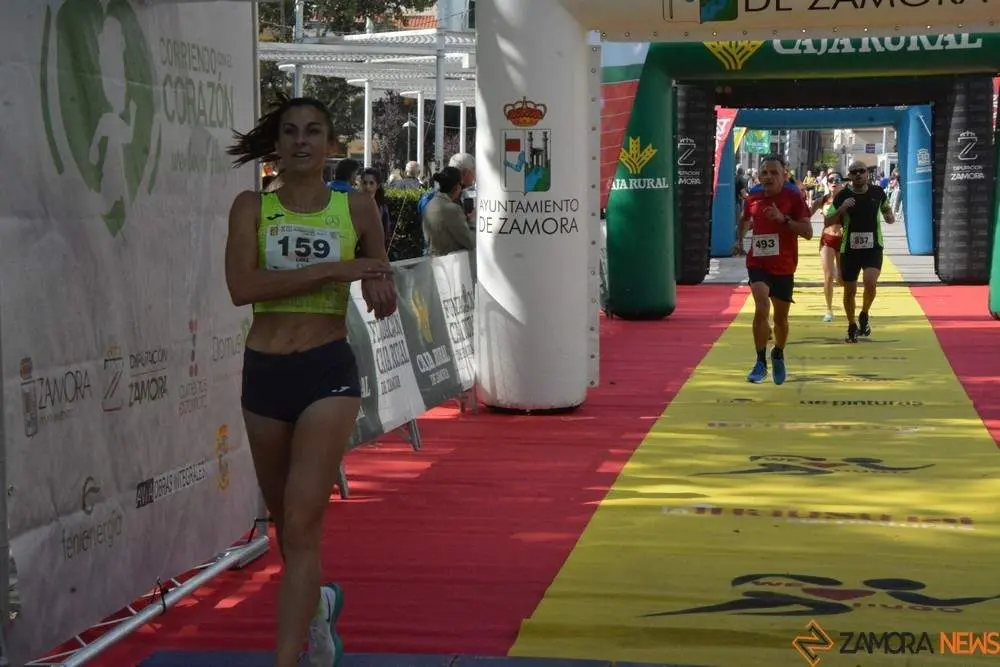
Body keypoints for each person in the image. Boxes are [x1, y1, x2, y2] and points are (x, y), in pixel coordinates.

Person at [225, 96, 398, 667]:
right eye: (291, 131)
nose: (302, 141)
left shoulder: (357, 208)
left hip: (326, 370)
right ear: (277, 144)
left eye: (314, 131)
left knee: (302, 520)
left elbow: (379, 274)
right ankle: (318, 610)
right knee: (285, 529)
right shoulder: (251, 207)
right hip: (265, 372)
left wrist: (381, 286)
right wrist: (333, 270)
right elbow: (242, 289)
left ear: (331, 144)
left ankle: (287, 659)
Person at [739, 155, 813, 385]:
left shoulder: (794, 197)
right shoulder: (753, 197)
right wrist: (739, 239)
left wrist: (783, 220)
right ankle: (760, 362)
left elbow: (808, 232)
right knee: (761, 306)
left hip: (784, 265)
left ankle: (778, 352)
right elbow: (745, 218)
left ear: (784, 175)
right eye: (764, 173)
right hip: (757, 262)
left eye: (774, 173)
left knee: (781, 320)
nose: (768, 177)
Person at [826, 160, 895, 343]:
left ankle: (864, 313)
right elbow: (827, 220)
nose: (858, 174)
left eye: (861, 171)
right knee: (849, 290)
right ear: (850, 175)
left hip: (873, 248)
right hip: (849, 249)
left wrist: (889, 216)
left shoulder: (877, 192)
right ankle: (851, 324)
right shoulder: (842, 195)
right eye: (854, 172)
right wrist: (841, 209)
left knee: (870, 282)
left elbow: (887, 211)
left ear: (867, 173)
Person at [812, 173, 844, 322]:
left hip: (844, 241)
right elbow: (804, 214)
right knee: (829, 276)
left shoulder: (849, 200)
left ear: (842, 182)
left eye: (837, 180)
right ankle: (829, 309)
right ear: (827, 183)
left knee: (842, 279)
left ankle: (848, 306)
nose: (834, 182)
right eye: (831, 180)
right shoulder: (822, 200)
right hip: (827, 240)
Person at [423, 166, 475, 256]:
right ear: (457, 186)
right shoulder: (452, 209)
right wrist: (473, 221)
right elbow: (471, 242)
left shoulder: (430, 204)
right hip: (450, 264)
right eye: (461, 185)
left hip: (432, 259)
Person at [361, 167, 394, 248]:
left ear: (378, 185)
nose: (367, 186)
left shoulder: (382, 206)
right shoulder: (356, 203)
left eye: (371, 183)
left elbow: (386, 230)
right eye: (365, 183)